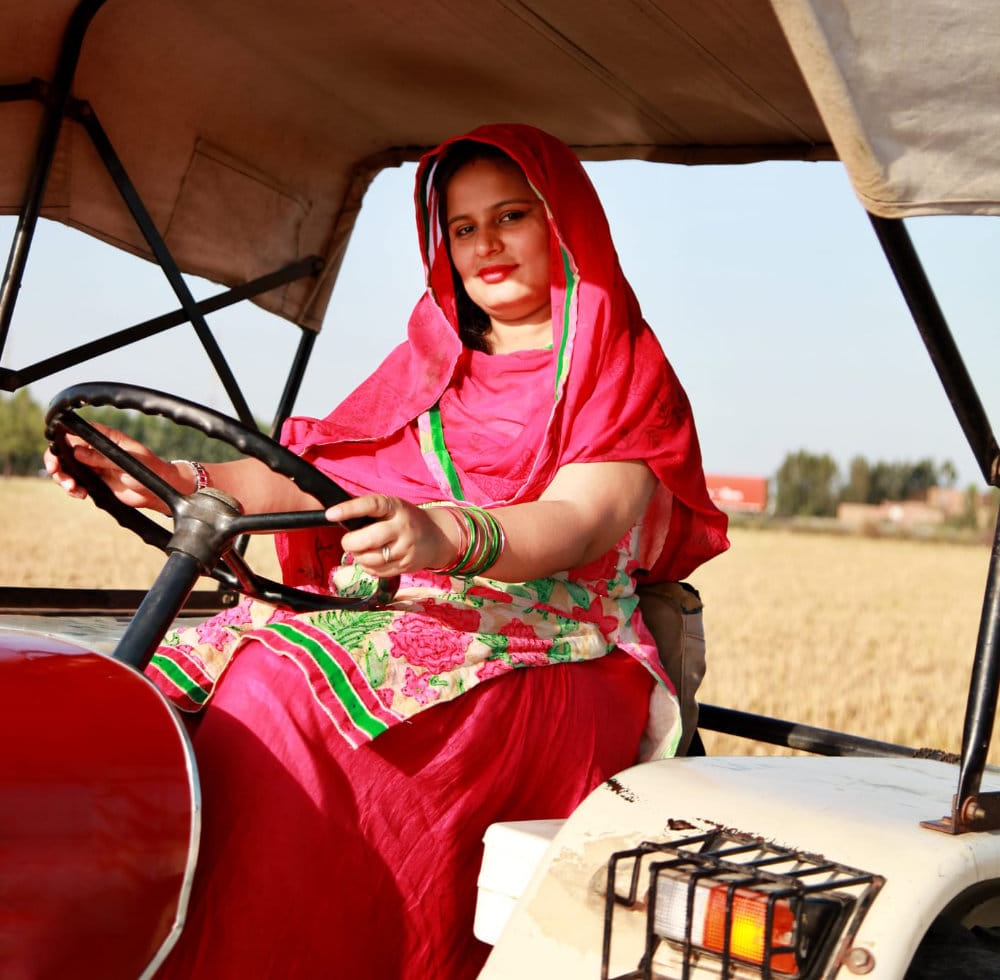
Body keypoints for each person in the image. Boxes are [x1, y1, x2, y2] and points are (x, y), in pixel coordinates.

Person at [47, 122, 728, 979]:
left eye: (510, 216)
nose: (486, 244)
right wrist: (172, 475)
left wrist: (447, 534)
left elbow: (584, 518)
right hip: (420, 624)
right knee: (153, 689)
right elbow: (304, 483)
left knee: (281, 687)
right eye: (463, 226)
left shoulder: (618, 365)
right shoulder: (431, 368)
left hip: (558, 651)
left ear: (563, 223)